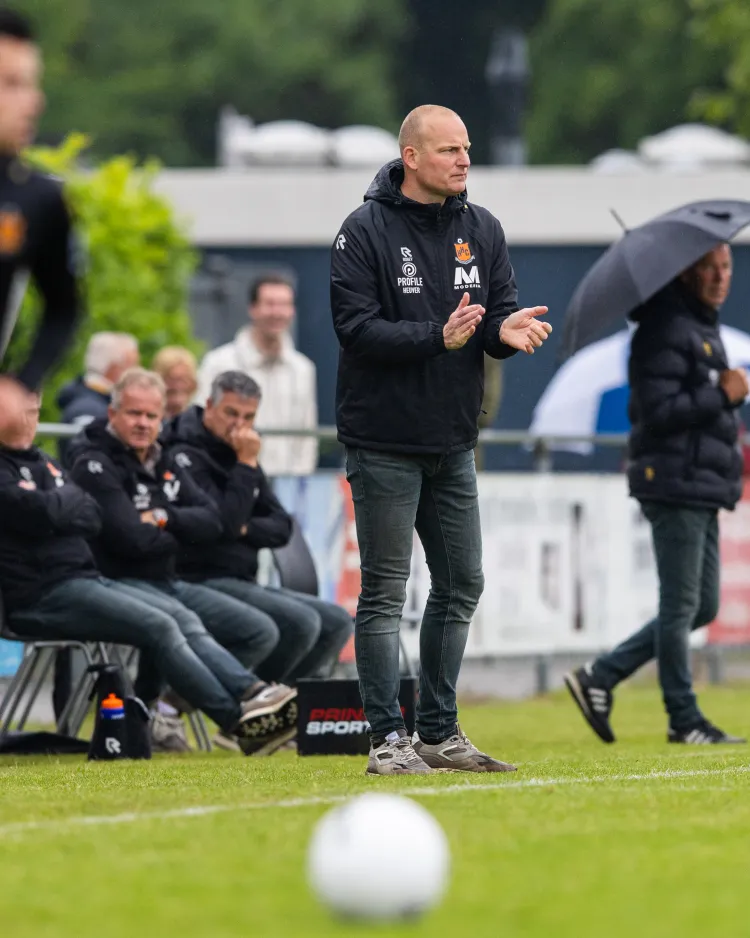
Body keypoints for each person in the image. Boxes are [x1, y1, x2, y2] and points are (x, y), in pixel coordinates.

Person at [330, 104, 552, 775]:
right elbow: (356, 329)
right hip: (383, 440)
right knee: (385, 593)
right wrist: (439, 335)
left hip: (452, 440)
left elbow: (493, 315)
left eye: (467, 148)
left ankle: (438, 733)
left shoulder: (481, 229)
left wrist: (502, 336)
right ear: (412, 157)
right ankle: (385, 741)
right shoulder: (362, 231)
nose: (463, 160)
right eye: (449, 150)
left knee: (462, 583)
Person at [0, 393, 296, 752]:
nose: (27, 422)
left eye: (33, 413)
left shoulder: (43, 462)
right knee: (162, 625)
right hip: (41, 594)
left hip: (89, 580)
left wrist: (163, 520)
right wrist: (60, 506)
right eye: (19, 415)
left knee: (183, 618)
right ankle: (241, 722)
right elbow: (108, 530)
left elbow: (90, 515)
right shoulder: (84, 461)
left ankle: (252, 696)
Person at [565, 244, 747, 745]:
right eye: (707, 266)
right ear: (686, 272)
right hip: (674, 482)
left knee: (701, 607)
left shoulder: (698, 324)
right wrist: (724, 393)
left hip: (700, 483)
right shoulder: (664, 328)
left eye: (725, 266)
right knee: (680, 603)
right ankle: (683, 718)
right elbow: (658, 411)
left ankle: (601, 675)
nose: (718, 276)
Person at [162, 370, 353, 686]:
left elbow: (280, 526)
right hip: (197, 576)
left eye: (248, 416)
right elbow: (222, 524)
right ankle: (252, 706)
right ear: (209, 405)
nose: (239, 424)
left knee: (336, 622)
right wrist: (245, 468)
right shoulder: (181, 452)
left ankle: (281, 714)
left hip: (240, 577)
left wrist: (241, 528)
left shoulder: (241, 452)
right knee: (300, 623)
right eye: (231, 413)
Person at [0, 9, 81, 442]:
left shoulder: (39, 199)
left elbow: (63, 306)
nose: (33, 101)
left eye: (32, 84)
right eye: (11, 84)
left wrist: (21, 382)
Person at [195, 274, 318, 477]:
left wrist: (299, 483)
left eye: (284, 304)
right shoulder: (218, 362)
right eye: (270, 304)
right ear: (252, 309)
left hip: (285, 490)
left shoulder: (303, 368)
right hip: (229, 481)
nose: (277, 312)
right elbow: (202, 424)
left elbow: (307, 436)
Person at [57, 332, 139, 465]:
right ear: (115, 368)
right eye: (133, 365)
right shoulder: (87, 409)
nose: (137, 373)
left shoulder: (89, 400)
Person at [152, 345, 198, 419]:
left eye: (183, 379)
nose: (178, 385)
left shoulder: (196, 420)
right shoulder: (149, 420)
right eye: (172, 378)